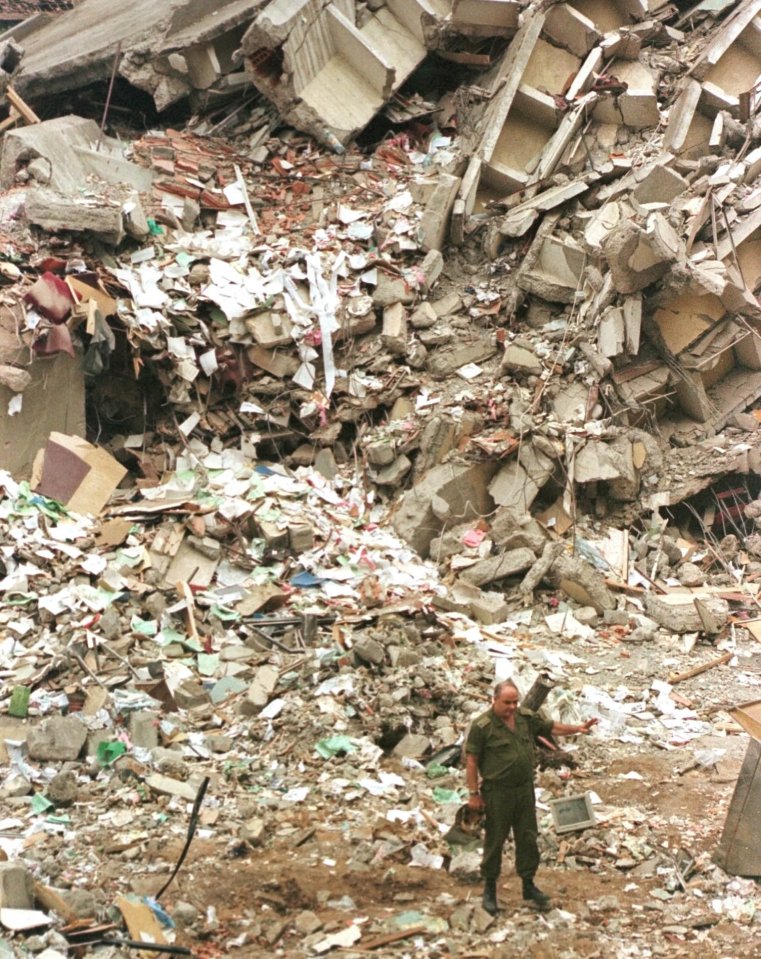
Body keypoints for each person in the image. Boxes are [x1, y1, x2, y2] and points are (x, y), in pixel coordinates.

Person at [465, 679, 598, 915]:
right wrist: (473, 794)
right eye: (507, 702)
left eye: (515, 701)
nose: (512, 707)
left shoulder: (525, 717)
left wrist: (577, 729)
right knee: (495, 840)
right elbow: (472, 761)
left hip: (524, 790)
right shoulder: (482, 726)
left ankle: (528, 885)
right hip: (498, 792)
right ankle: (489, 890)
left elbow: (550, 727)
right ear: (494, 700)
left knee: (527, 837)